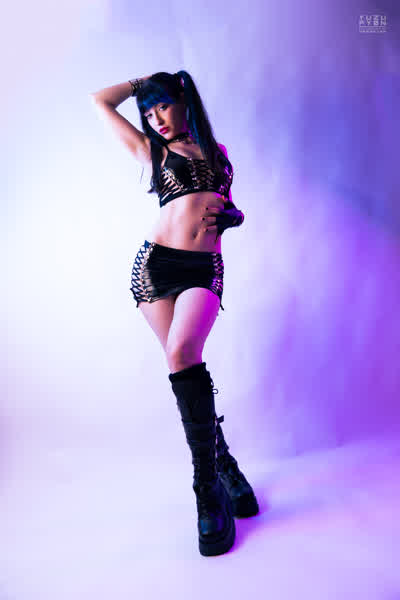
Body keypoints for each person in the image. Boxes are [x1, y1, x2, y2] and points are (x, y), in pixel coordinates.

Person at [90, 70, 259, 557]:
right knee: (183, 362)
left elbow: (226, 205)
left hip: (203, 268)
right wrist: (144, 85)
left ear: (184, 100)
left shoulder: (218, 153)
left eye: (163, 105)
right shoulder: (154, 151)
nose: (156, 118)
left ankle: (209, 485)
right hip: (155, 269)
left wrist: (236, 215)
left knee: (183, 353)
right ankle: (221, 474)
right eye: (148, 111)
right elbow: (100, 101)